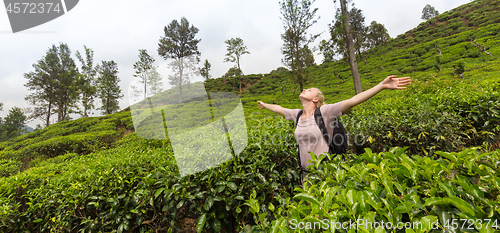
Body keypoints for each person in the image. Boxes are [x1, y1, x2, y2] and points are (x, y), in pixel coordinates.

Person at [257, 75, 411, 182]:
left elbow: (353, 100)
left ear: (315, 99)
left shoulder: (325, 112)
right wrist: (264, 105)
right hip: (305, 175)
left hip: (325, 173)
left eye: (309, 90)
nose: (305, 89)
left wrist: (382, 86)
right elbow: (279, 108)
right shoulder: (296, 115)